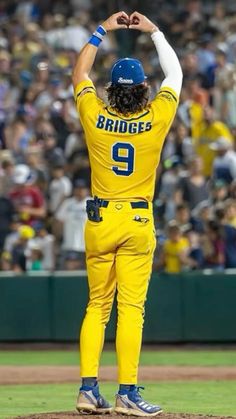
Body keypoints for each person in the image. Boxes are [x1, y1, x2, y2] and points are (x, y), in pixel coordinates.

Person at [72, 10, 182, 416]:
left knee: (96, 306)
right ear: (143, 90)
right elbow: (176, 76)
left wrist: (103, 29)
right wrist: (154, 32)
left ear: (111, 90)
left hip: (99, 220)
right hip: (136, 221)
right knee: (131, 308)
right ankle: (127, 393)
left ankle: (88, 389)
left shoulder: (94, 115)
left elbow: (79, 74)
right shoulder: (156, 117)